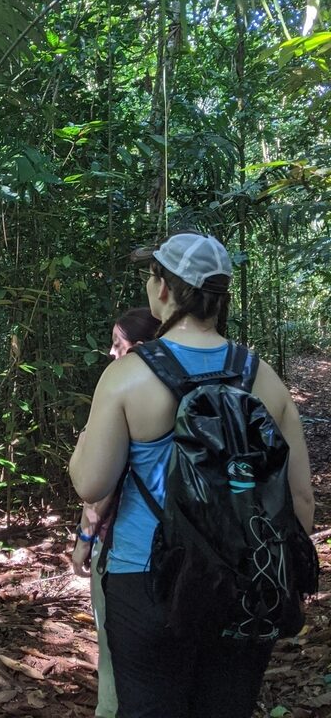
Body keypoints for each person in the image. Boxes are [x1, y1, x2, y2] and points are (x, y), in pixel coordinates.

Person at [68, 232, 314, 718]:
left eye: (151, 275)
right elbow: (300, 498)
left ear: (164, 289)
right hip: (246, 581)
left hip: (148, 580)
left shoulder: (127, 376)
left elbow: (91, 485)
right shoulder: (262, 375)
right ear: (219, 298)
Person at [71, 308, 159, 718]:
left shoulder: (124, 389)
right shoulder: (191, 386)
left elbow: (97, 487)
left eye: (117, 344)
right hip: (195, 550)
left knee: (114, 660)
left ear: (138, 349)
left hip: (129, 554)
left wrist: (84, 542)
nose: (110, 353)